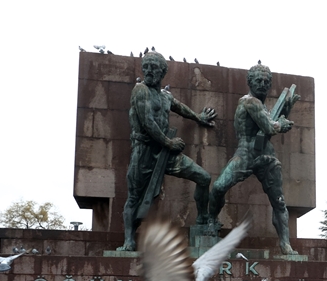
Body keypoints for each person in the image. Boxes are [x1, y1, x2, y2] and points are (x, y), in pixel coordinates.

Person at [117, 51, 216, 251]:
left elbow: (181, 108)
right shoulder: (140, 90)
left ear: (163, 72)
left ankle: (203, 219)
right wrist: (169, 143)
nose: (148, 71)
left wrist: (199, 117)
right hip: (144, 151)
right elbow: (147, 122)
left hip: (166, 154)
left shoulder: (165, 96)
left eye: (153, 68)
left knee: (204, 178)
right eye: (145, 67)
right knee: (134, 197)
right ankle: (129, 239)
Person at [208, 63, 299, 254]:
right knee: (218, 187)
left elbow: (270, 124)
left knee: (279, 201)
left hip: (266, 155)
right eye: (258, 80)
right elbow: (270, 127)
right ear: (249, 82)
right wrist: (281, 124)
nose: (263, 84)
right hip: (245, 154)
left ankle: (285, 244)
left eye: (266, 81)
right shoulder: (249, 102)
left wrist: (286, 110)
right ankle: (211, 220)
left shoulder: (261, 105)